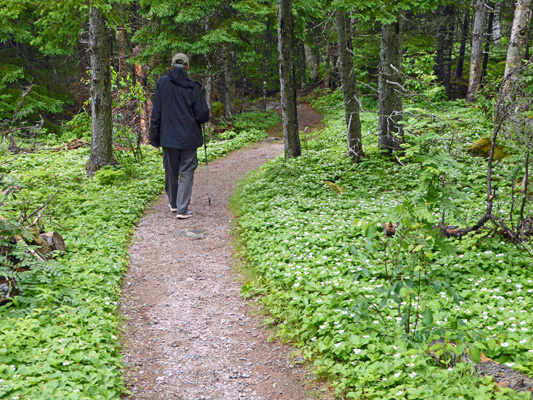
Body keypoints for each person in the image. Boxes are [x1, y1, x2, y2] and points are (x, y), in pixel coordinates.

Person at [150, 53, 210, 219]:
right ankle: (182, 209)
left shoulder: (162, 83)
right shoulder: (193, 87)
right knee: (186, 170)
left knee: (171, 170)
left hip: (168, 138)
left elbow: (156, 112)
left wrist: (154, 137)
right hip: (189, 138)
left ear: (171, 65)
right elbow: (203, 115)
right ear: (187, 66)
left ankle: (174, 204)